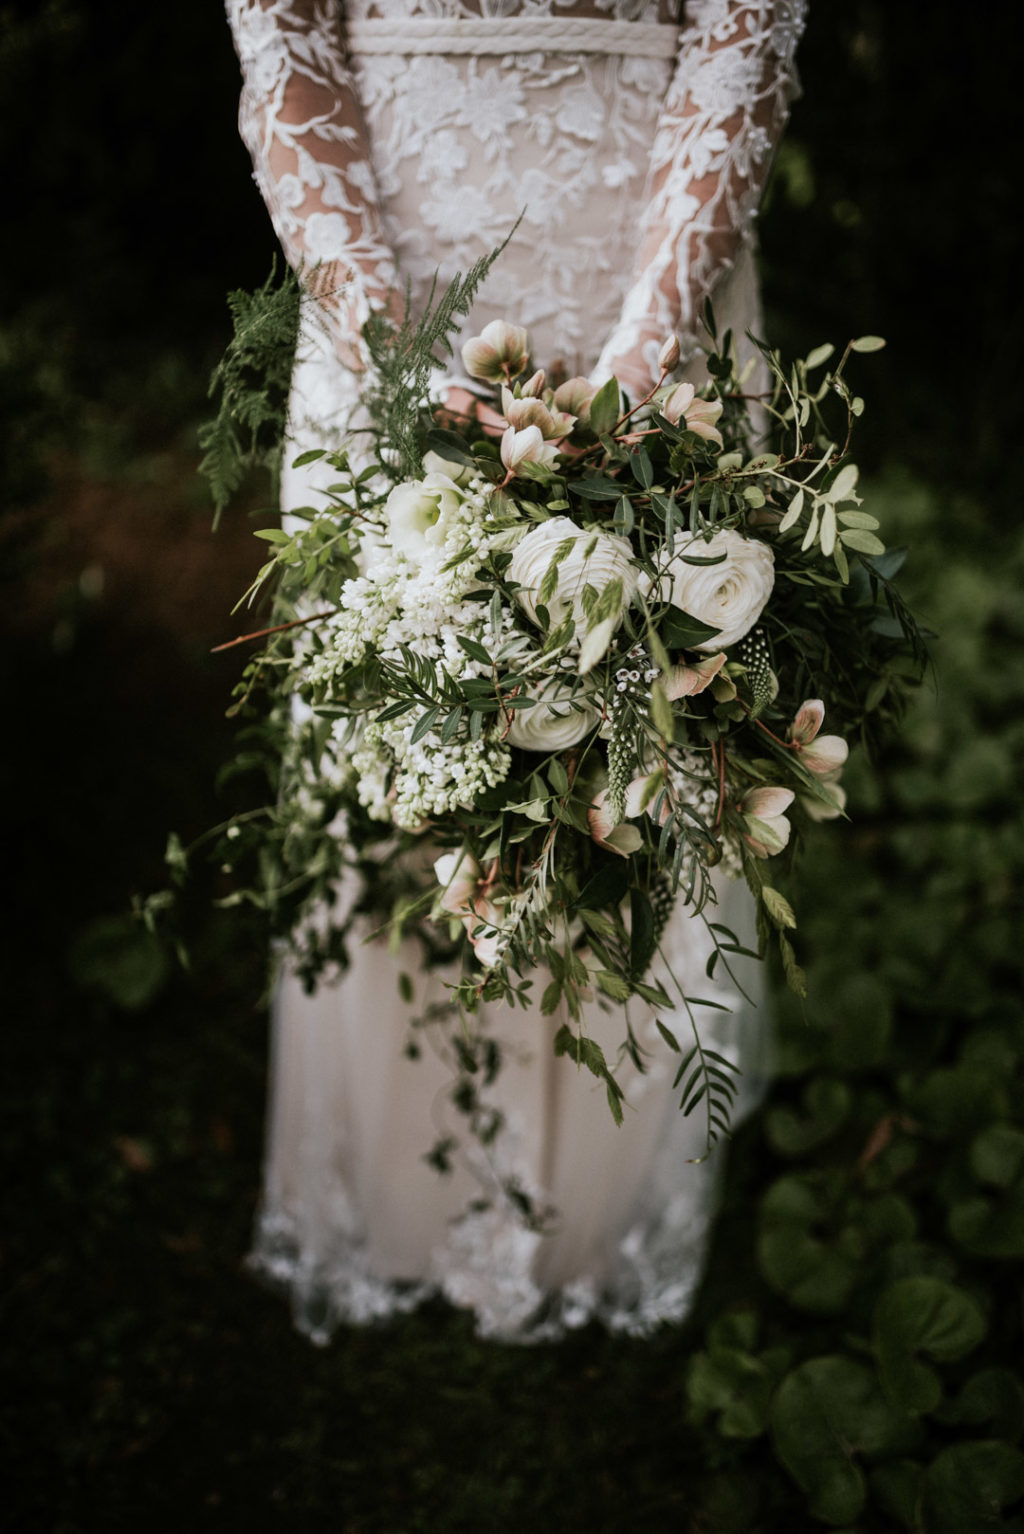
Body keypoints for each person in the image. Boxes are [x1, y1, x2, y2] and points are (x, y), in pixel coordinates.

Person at [225, 0, 807, 1343]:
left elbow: (743, 37)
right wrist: (386, 343)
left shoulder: (659, 335)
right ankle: (404, 1183)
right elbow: (289, 49)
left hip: (651, 270)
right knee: (402, 738)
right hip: (390, 275)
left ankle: (598, 1200)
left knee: (648, 728)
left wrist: (647, 358)